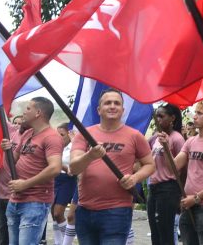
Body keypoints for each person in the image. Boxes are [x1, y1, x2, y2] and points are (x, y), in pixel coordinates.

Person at [70, 89, 155, 245]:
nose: (112, 106)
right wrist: (90, 155)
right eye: (107, 103)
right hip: (85, 210)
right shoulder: (84, 134)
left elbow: (150, 165)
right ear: (99, 109)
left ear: (123, 110)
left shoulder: (135, 135)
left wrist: (135, 177)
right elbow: (74, 168)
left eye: (117, 103)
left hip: (117, 210)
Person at [164, 101, 203, 245]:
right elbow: (173, 167)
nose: (194, 117)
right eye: (195, 112)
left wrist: (197, 198)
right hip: (188, 204)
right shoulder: (191, 141)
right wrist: (166, 148)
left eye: (199, 113)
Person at [3, 97, 64, 245]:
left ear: (38, 113)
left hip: (35, 202)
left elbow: (55, 168)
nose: (24, 111)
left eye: (28, 108)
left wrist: (25, 184)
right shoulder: (27, 134)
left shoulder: (52, 137)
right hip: (15, 200)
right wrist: (7, 151)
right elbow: (11, 164)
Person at [148, 104, 185, 245]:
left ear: (172, 118)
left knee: (165, 231)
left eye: (161, 116)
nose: (158, 119)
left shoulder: (176, 138)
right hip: (154, 187)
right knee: (155, 231)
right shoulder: (155, 138)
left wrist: (181, 193)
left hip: (169, 189)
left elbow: (182, 168)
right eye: (156, 116)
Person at [52, 124, 77, 245]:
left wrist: (59, 164)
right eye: (57, 135)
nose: (59, 137)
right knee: (53, 213)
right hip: (55, 178)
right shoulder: (56, 146)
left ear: (69, 134)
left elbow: (73, 168)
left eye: (62, 135)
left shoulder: (74, 146)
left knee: (58, 212)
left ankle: (67, 240)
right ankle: (58, 241)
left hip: (67, 180)